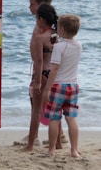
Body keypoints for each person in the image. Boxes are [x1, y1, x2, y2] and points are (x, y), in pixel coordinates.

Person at [14, 0, 66, 149]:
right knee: (52, 108)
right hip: (54, 73)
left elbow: (38, 60)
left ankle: (32, 141)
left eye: (32, 4)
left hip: (42, 72)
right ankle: (58, 139)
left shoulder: (40, 32)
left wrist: (36, 81)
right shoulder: (55, 33)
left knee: (36, 109)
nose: (29, 7)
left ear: (41, 7)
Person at [44, 14, 82, 157]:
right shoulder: (79, 45)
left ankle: (52, 150)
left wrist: (47, 89)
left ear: (62, 29)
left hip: (58, 86)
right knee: (71, 118)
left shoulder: (58, 47)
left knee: (54, 118)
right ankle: (74, 150)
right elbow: (68, 48)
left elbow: (54, 69)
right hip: (73, 85)